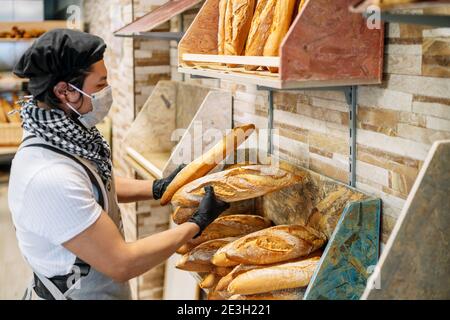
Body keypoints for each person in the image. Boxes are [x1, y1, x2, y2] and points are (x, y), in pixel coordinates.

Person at [8, 29, 229, 300]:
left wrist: (158, 187)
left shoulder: (63, 137)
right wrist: (197, 224)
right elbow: (122, 263)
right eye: (100, 86)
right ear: (65, 91)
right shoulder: (50, 175)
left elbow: (93, 184)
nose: (108, 93)